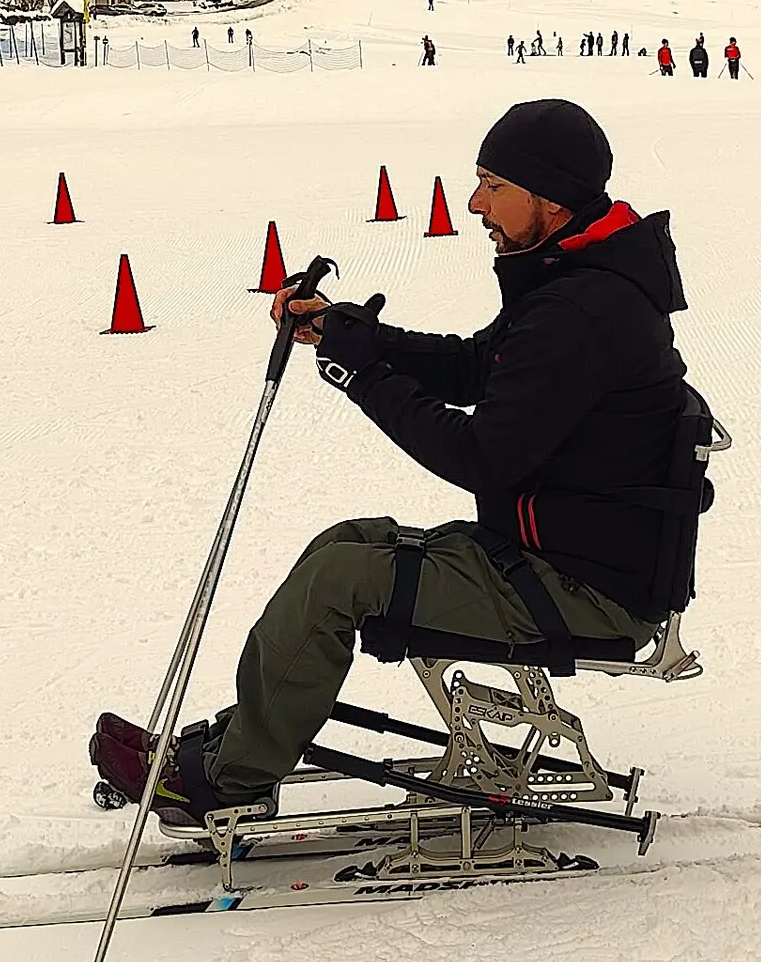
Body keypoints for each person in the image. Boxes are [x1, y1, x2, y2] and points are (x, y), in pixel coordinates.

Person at [89, 101, 689, 821]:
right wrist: (356, 334)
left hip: (581, 585)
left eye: (493, 185)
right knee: (346, 544)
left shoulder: (582, 309)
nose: (474, 204)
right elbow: (481, 367)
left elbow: (481, 456)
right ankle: (234, 744)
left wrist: (364, 375)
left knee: (343, 579)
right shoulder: (574, 278)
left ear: (549, 197)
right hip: (556, 552)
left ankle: (226, 782)